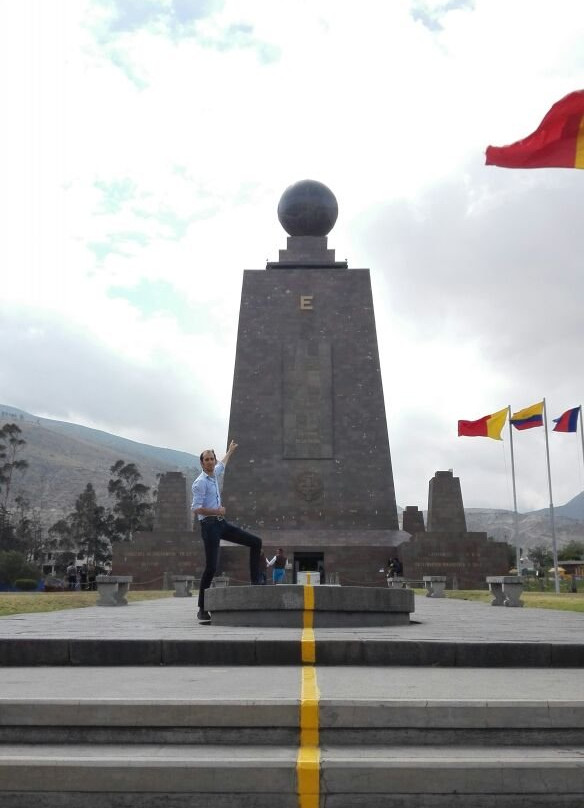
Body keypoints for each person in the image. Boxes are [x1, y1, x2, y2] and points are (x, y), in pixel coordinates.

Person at [192, 440, 262, 624]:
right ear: (201, 463)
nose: (209, 462)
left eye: (211, 459)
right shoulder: (199, 483)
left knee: (256, 542)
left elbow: (223, 465)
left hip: (221, 524)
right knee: (211, 567)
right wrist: (217, 511)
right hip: (209, 526)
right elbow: (196, 508)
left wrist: (230, 451)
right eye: (206, 459)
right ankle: (202, 608)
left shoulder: (214, 474)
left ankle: (257, 583)